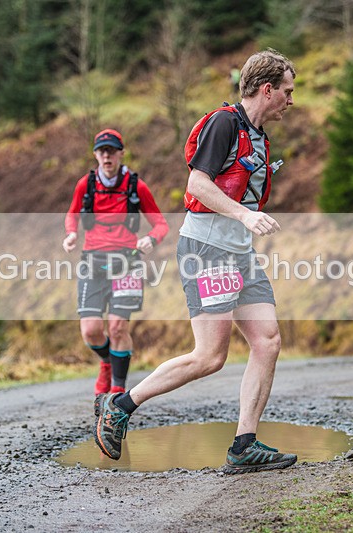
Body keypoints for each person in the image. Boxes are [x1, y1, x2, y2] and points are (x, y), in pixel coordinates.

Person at [93, 49, 297, 474]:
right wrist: (245, 214)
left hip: (240, 253)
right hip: (207, 251)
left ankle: (244, 445)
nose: (291, 100)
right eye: (287, 91)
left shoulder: (259, 136)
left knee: (268, 341)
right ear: (267, 89)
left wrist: (246, 223)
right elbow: (198, 184)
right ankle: (120, 407)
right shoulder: (226, 123)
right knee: (209, 356)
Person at [63, 128, 168, 396]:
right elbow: (72, 215)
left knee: (118, 326)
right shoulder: (85, 185)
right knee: (90, 331)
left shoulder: (136, 186)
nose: (107, 156)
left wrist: (151, 240)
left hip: (128, 262)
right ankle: (108, 361)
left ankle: (117, 393)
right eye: (102, 151)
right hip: (93, 261)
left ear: (121, 153)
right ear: (96, 155)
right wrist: (72, 234)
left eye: (112, 151)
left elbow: (160, 224)